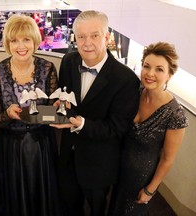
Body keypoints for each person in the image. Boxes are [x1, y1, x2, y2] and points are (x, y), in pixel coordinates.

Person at [50, 10, 140, 216]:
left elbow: (117, 128)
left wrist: (81, 124)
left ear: (107, 37)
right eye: (81, 36)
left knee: (97, 210)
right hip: (68, 156)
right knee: (68, 207)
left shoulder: (126, 79)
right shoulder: (69, 61)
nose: (87, 42)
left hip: (99, 164)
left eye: (94, 35)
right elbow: (66, 99)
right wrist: (60, 107)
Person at [0, 14, 61, 216]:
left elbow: (54, 111)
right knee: (16, 201)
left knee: (44, 198)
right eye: (14, 40)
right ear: (7, 43)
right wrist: (8, 114)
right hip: (11, 149)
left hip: (42, 146)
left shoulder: (47, 69)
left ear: (34, 41)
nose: (21, 46)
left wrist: (59, 108)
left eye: (26, 39)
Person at [108, 42, 189, 216]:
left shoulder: (175, 114)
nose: (150, 74)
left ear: (169, 74)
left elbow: (167, 159)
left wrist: (151, 190)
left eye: (159, 69)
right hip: (119, 168)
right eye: (147, 66)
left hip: (141, 178)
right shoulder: (134, 92)